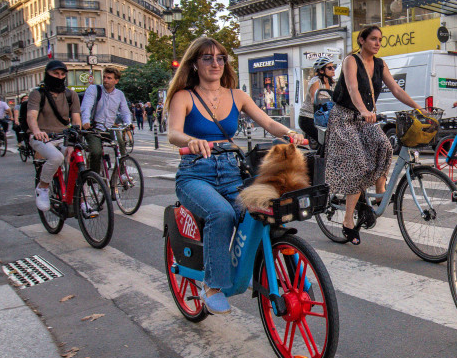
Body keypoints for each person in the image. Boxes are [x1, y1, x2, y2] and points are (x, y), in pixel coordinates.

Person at [168, 35, 300, 315]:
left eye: (220, 57)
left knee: (267, 209)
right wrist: (190, 140)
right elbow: (173, 133)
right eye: (207, 58)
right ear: (194, 64)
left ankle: (290, 270)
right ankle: (212, 286)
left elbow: (267, 122)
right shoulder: (184, 96)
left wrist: (290, 133)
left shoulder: (236, 95)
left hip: (231, 171)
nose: (215, 63)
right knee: (221, 214)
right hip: (195, 174)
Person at [326, 25, 425, 244]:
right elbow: (352, 88)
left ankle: (379, 190)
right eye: (373, 39)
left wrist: (418, 107)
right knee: (359, 163)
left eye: (380, 39)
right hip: (344, 117)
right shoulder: (350, 61)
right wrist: (362, 110)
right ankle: (348, 220)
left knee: (386, 146)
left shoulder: (380, 64)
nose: (377, 43)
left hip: (366, 117)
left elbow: (397, 90)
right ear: (361, 40)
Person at [26, 60, 83, 212]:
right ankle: (43, 187)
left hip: (63, 136)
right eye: (55, 73)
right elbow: (31, 116)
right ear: (47, 74)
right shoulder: (37, 94)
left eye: (62, 74)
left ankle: (81, 198)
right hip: (42, 137)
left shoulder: (71, 95)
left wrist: (76, 136)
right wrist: (37, 131)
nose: (59, 77)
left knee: (79, 157)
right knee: (56, 157)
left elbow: (76, 119)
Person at [80, 66, 133, 175]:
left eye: (109, 78)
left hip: (109, 128)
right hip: (93, 128)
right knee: (96, 152)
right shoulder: (94, 89)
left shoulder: (119, 94)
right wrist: (85, 121)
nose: (105, 80)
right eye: (104, 77)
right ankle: (94, 178)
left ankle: (122, 174)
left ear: (116, 81)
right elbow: (86, 106)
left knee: (121, 144)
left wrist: (129, 123)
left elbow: (125, 112)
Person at [298, 57, 336, 144]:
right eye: (329, 68)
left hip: (322, 118)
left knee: (329, 142)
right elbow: (314, 100)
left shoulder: (332, 83)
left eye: (333, 67)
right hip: (308, 118)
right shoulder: (316, 81)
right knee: (326, 142)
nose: (333, 69)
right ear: (321, 71)